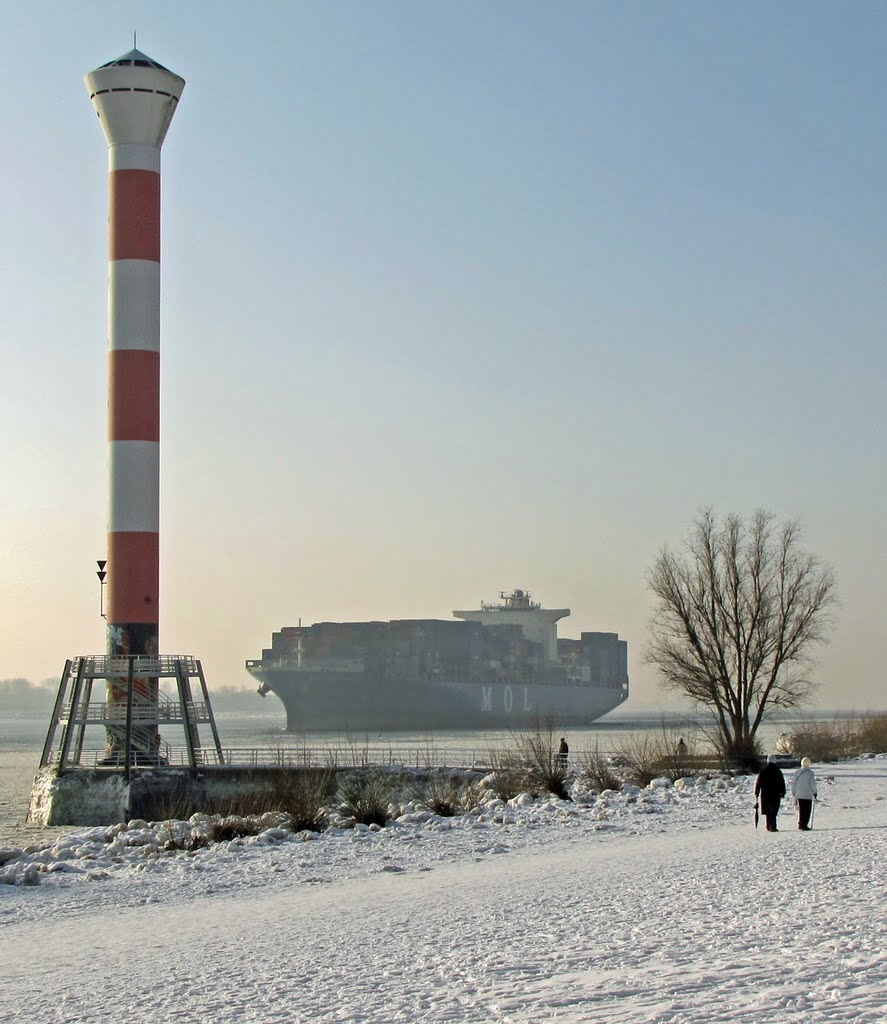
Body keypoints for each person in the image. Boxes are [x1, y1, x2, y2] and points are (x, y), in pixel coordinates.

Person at [755, 754, 786, 832]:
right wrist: (783, 792)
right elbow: (782, 783)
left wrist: (757, 792)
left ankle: (769, 825)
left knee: (768, 811)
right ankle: (773, 826)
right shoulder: (778, 771)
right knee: (773, 810)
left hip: (765, 794)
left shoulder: (763, 771)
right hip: (775, 794)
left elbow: (758, 783)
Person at [792, 756, 818, 830]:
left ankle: (801, 823)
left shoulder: (797, 772)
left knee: (801, 810)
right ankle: (804, 824)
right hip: (808, 795)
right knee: (807, 810)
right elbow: (812, 784)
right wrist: (815, 792)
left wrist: (793, 791)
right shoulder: (810, 773)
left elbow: (794, 783)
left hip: (799, 794)